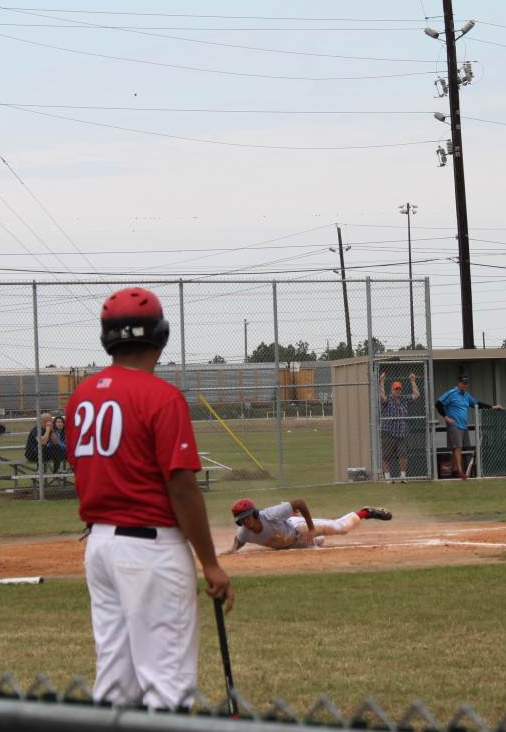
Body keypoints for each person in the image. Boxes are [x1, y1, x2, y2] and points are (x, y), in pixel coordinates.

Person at [65, 286, 231, 710]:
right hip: (151, 548)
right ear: (161, 336)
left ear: (107, 338)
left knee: (115, 688)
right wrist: (210, 562)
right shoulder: (161, 396)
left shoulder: (81, 397)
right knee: (167, 688)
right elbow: (181, 487)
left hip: (100, 547)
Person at [222, 498, 391, 552]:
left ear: (255, 513)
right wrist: (233, 548)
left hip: (298, 527)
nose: (245, 521)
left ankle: (366, 512)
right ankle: (297, 518)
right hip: (294, 542)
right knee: (320, 541)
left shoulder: (269, 515)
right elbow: (239, 540)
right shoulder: (244, 531)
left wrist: (310, 528)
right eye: (241, 519)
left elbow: (300, 502)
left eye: (247, 517)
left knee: (340, 528)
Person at [435, 375, 501, 480]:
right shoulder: (451, 393)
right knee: (457, 447)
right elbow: (438, 404)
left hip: (463, 425)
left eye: (467, 384)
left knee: (458, 448)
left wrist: (492, 407)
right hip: (454, 425)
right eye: (464, 383)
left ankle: (455, 470)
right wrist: (446, 417)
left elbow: (477, 403)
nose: (465, 385)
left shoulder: (466, 395)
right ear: (459, 383)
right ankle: (460, 472)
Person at [378, 371, 420, 480]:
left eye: (399, 389)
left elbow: (416, 395)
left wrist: (412, 381)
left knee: (403, 455)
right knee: (386, 457)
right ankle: (387, 478)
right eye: (396, 389)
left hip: (402, 434)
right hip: (388, 433)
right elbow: (382, 397)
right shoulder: (388, 400)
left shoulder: (404, 399)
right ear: (392, 390)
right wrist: (382, 381)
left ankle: (403, 477)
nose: (398, 391)